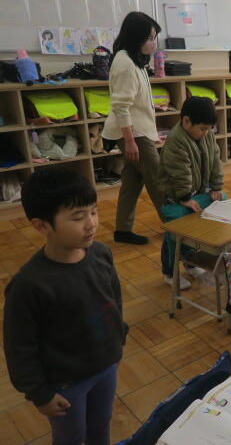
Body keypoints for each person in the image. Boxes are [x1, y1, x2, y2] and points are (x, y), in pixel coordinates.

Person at [4, 166, 126, 445]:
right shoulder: (28, 285)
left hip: (106, 365)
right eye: (78, 217)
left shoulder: (102, 254)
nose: (91, 223)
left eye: (93, 211)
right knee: (71, 436)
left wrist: (119, 336)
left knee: (101, 424)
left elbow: (113, 300)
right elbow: (19, 347)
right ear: (42, 226)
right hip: (66, 382)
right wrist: (39, 393)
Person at [102, 11, 164, 245]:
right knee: (158, 179)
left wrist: (150, 133)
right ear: (135, 37)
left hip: (137, 130)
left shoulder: (134, 58)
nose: (153, 43)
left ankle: (122, 230)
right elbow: (121, 106)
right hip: (132, 133)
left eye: (154, 37)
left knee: (132, 181)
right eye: (149, 38)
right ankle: (176, 227)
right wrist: (129, 141)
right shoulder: (125, 63)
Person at [157, 96, 225, 290]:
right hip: (177, 196)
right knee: (175, 235)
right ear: (186, 121)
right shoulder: (176, 140)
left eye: (209, 129)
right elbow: (180, 173)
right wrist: (185, 197)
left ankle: (190, 263)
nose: (206, 133)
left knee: (195, 230)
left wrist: (217, 186)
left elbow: (215, 160)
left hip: (196, 191)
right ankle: (169, 272)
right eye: (203, 128)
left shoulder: (205, 134)